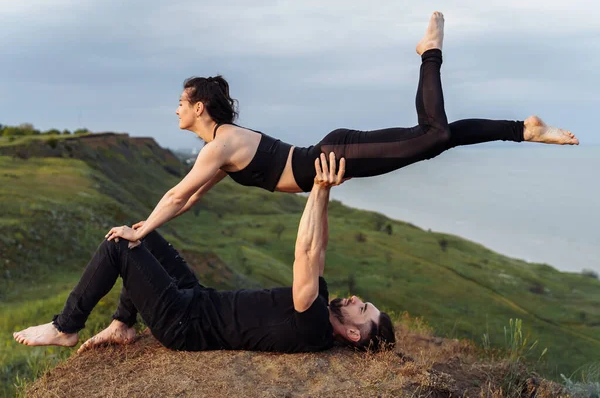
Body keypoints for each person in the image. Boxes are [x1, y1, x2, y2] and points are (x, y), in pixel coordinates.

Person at [102, 11, 578, 245]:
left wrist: (140, 231)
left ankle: (430, 51)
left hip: (333, 158)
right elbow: (193, 196)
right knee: (435, 134)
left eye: (181, 104)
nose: (176, 111)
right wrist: (148, 226)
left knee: (434, 135)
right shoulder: (219, 147)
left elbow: (177, 194)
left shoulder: (220, 144)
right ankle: (523, 129)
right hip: (332, 156)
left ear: (201, 107)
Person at [13, 152, 396, 354]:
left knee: (120, 247)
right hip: (195, 300)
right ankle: (123, 323)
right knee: (141, 233)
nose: (358, 300)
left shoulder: (313, 326)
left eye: (363, 310)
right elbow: (321, 246)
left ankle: (65, 327)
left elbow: (306, 251)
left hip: (183, 323)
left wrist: (319, 188)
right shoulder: (320, 304)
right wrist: (323, 193)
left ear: (352, 334)